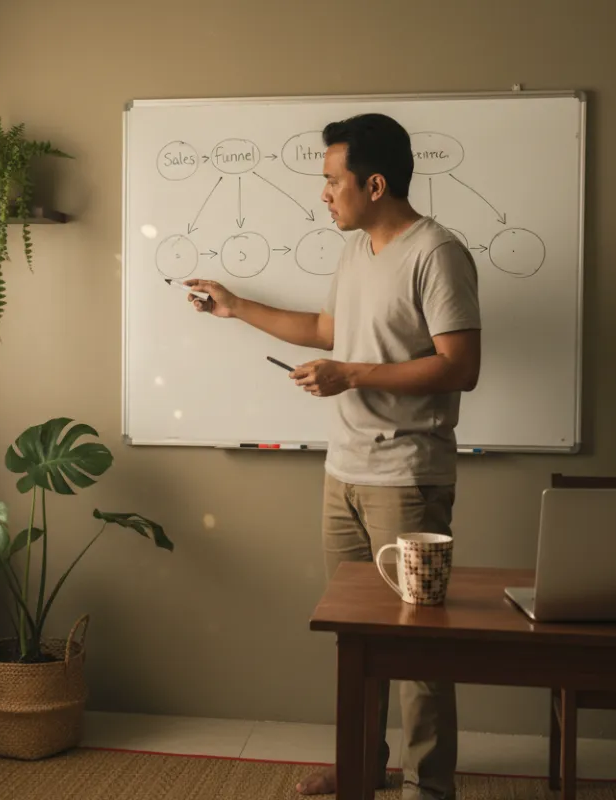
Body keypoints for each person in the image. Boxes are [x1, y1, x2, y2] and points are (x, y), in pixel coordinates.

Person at [184, 112, 481, 800]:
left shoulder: (437, 252)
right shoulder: (356, 251)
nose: (323, 194)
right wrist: (237, 308)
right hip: (343, 473)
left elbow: (459, 365)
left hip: (407, 478)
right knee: (358, 640)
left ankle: (428, 788)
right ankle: (363, 771)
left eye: (330, 180)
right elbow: (327, 330)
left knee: (419, 651)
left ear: (373, 184)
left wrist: (350, 374)